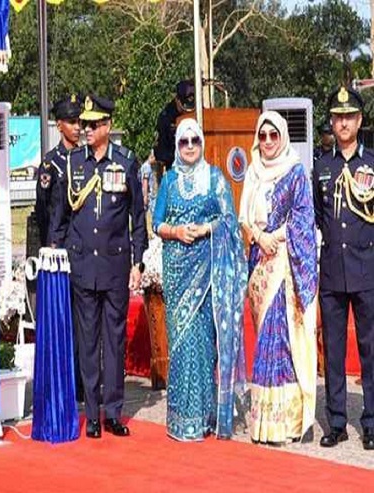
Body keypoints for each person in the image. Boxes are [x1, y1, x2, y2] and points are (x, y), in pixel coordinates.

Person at [50, 94, 147, 438]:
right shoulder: (74, 162)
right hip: (83, 265)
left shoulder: (126, 162)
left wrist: (138, 261)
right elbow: (60, 215)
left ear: (108, 126)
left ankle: (113, 412)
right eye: (83, 124)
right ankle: (91, 413)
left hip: (115, 264)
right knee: (88, 341)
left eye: (93, 124)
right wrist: (53, 252)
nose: (86, 129)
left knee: (114, 340)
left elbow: (137, 217)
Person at [153, 119, 247, 441]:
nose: (190, 146)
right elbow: (156, 223)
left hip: (207, 272)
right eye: (184, 142)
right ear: (177, 146)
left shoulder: (215, 177)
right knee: (181, 343)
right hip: (177, 272)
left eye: (195, 140)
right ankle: (181, 420)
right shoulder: (169, 181)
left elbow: (229, 220)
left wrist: (207, 229)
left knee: (204, 342)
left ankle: (204, 417)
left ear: (202, 144)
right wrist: (177, 231)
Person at [240, 110, 318, 444]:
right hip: (260, 262)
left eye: (274, 135)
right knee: (263, 338)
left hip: (285, 264)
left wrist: (276, 236)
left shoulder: (295, 171)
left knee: (281, 338)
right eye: (263, 135)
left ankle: (285, 424)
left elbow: (304, 218)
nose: (268, 141)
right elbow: (244, 219)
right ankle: (263, 423)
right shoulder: (253, 172)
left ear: (283, 137)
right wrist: (260, 237)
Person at [314, 86, 374, 450]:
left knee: (370, 349)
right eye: (337, 118)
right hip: (333, 271)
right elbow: (319, 219)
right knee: (333, 351)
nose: (343, 123)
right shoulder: (323, 166)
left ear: (360, 120)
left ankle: (371, 422)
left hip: (367, 269)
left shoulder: (372, 165)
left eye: (349, 116)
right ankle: (336, 421)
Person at [35, 95, 82, 247]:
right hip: (59, 241)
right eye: (72, 122)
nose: (77, 127)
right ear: (59, 126)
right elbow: (42, 208)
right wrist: (49, 241)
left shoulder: (85, 159)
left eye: (79, 122)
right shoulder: (51, 164)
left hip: (82, 241)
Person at [153, 80, 196, 172]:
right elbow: (160, 153)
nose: (187, 111)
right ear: (177, 100)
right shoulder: (166, 118)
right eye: (185, 105)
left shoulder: (198, 111)